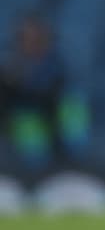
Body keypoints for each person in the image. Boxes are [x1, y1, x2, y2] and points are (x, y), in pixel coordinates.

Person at [0, 13, 87, 170]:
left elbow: (53, 91)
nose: (30, 41)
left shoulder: (58, 62)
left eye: (35, 36)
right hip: (25, 122)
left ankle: (67, 159)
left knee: (72, 103)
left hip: (53, 121)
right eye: (25, 37)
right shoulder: (11, 64)